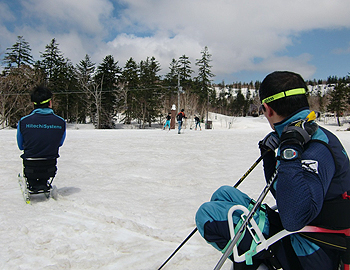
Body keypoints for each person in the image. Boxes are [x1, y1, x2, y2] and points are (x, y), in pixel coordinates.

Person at [195, 71, 350, 269]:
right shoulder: (300, 134)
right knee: (223, 194)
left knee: (207, 215)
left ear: (267, 109)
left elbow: (294, 218)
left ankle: (260, 264)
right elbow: (283, 192)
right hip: (303, 230)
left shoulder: (314, 149)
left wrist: (289, 153)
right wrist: (270, 157)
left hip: (313, 249)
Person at [17, 86, 66, 192]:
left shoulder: (24, 121)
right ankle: (43, 182)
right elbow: (59, 143)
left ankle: (32, 183)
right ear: (50, 103)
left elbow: (21, 145)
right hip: (50, 165)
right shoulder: (61, 122)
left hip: (30, 165)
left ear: (33, 104)